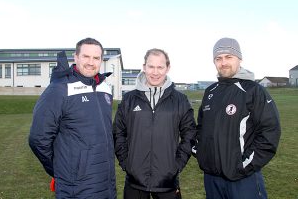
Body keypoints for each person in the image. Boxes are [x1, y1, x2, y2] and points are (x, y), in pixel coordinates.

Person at [193, 37, 281, 199]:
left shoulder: (254, 91)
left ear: (239, 58)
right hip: (212, 178)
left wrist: (243, 166)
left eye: (229, 57)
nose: (223, 62)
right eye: (218, 58)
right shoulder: (210, 92)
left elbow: (270, 133)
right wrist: (202, 154)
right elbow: (201, 128)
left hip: (243, 178)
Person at [29, 37, 116, 199]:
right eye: (86, 56)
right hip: (76, 188)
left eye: (96, 58)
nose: (91, 62)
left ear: (101, 60)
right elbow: (38, 139)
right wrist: (60, 170)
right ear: (76, 58)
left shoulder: (105, 88)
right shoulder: (59, 89)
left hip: (106, 183)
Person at [113, 48, 197, 199]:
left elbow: (189, 134)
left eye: (160, 67)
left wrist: (176, 165)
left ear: (167, 68)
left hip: (167, 181)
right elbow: (118, 133)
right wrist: (127, 163)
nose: (155, 72)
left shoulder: (180, 100)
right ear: (144, 67)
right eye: (151, 66)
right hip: (135, 181)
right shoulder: (129, 100)